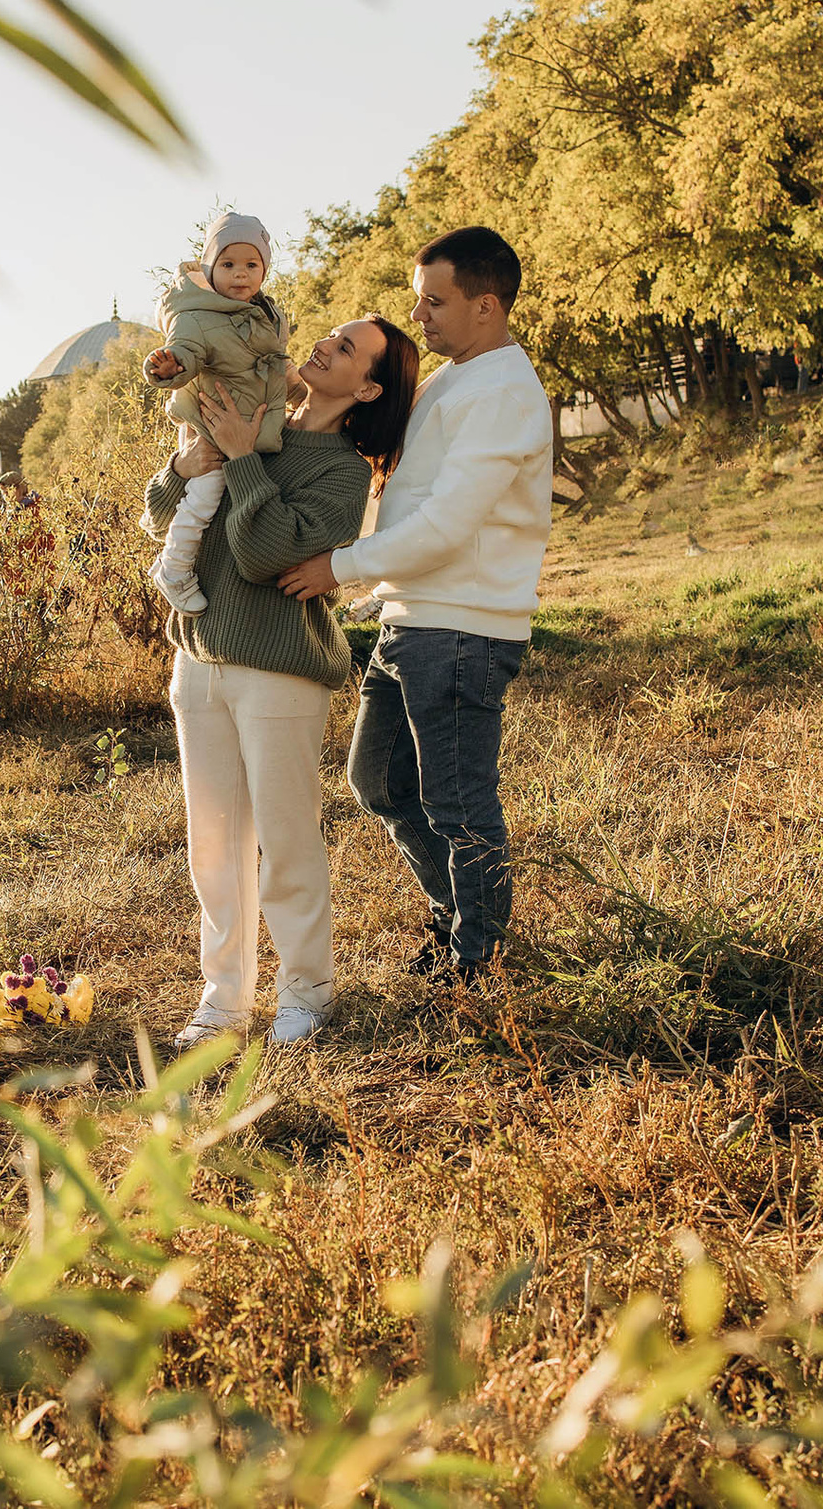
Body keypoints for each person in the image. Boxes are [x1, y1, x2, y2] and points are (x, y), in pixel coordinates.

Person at [277, 227, 553, 982]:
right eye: (417, 299)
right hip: (412, 619)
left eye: (436, 301)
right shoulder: (453, 378)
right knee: (380, 783)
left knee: (460, 807)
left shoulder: (503, 392)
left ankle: (479, 966)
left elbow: (447, 526)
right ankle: (458, 921)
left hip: (460, 630)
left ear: (487, 306)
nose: (420, 315)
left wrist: (338, 566)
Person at [144, 315, 419, 1047]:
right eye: (332, 332)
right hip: (197, 660)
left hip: (279, 672)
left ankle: (308, 990)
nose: (326, 341)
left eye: (349, 347)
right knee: (214, 844)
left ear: (366, 387)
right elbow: (163, 517)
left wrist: (239, 460)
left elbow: (265, 552)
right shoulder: (246, 410)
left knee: (288, 838)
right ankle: (223, 997)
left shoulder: (342, 471)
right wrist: (186, 466)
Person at [140, 212, 292, 616]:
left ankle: (173, 563)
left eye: (251, 265)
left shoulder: (268, 315)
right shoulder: (196, 315)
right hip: (210, 428)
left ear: (264, 270)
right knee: (204, 498)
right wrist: (171, 365)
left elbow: (274, 369)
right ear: (210, 267)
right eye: (227, 265)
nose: (240, 275)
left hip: (242, 426)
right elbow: (187, 350)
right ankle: (173, 567)